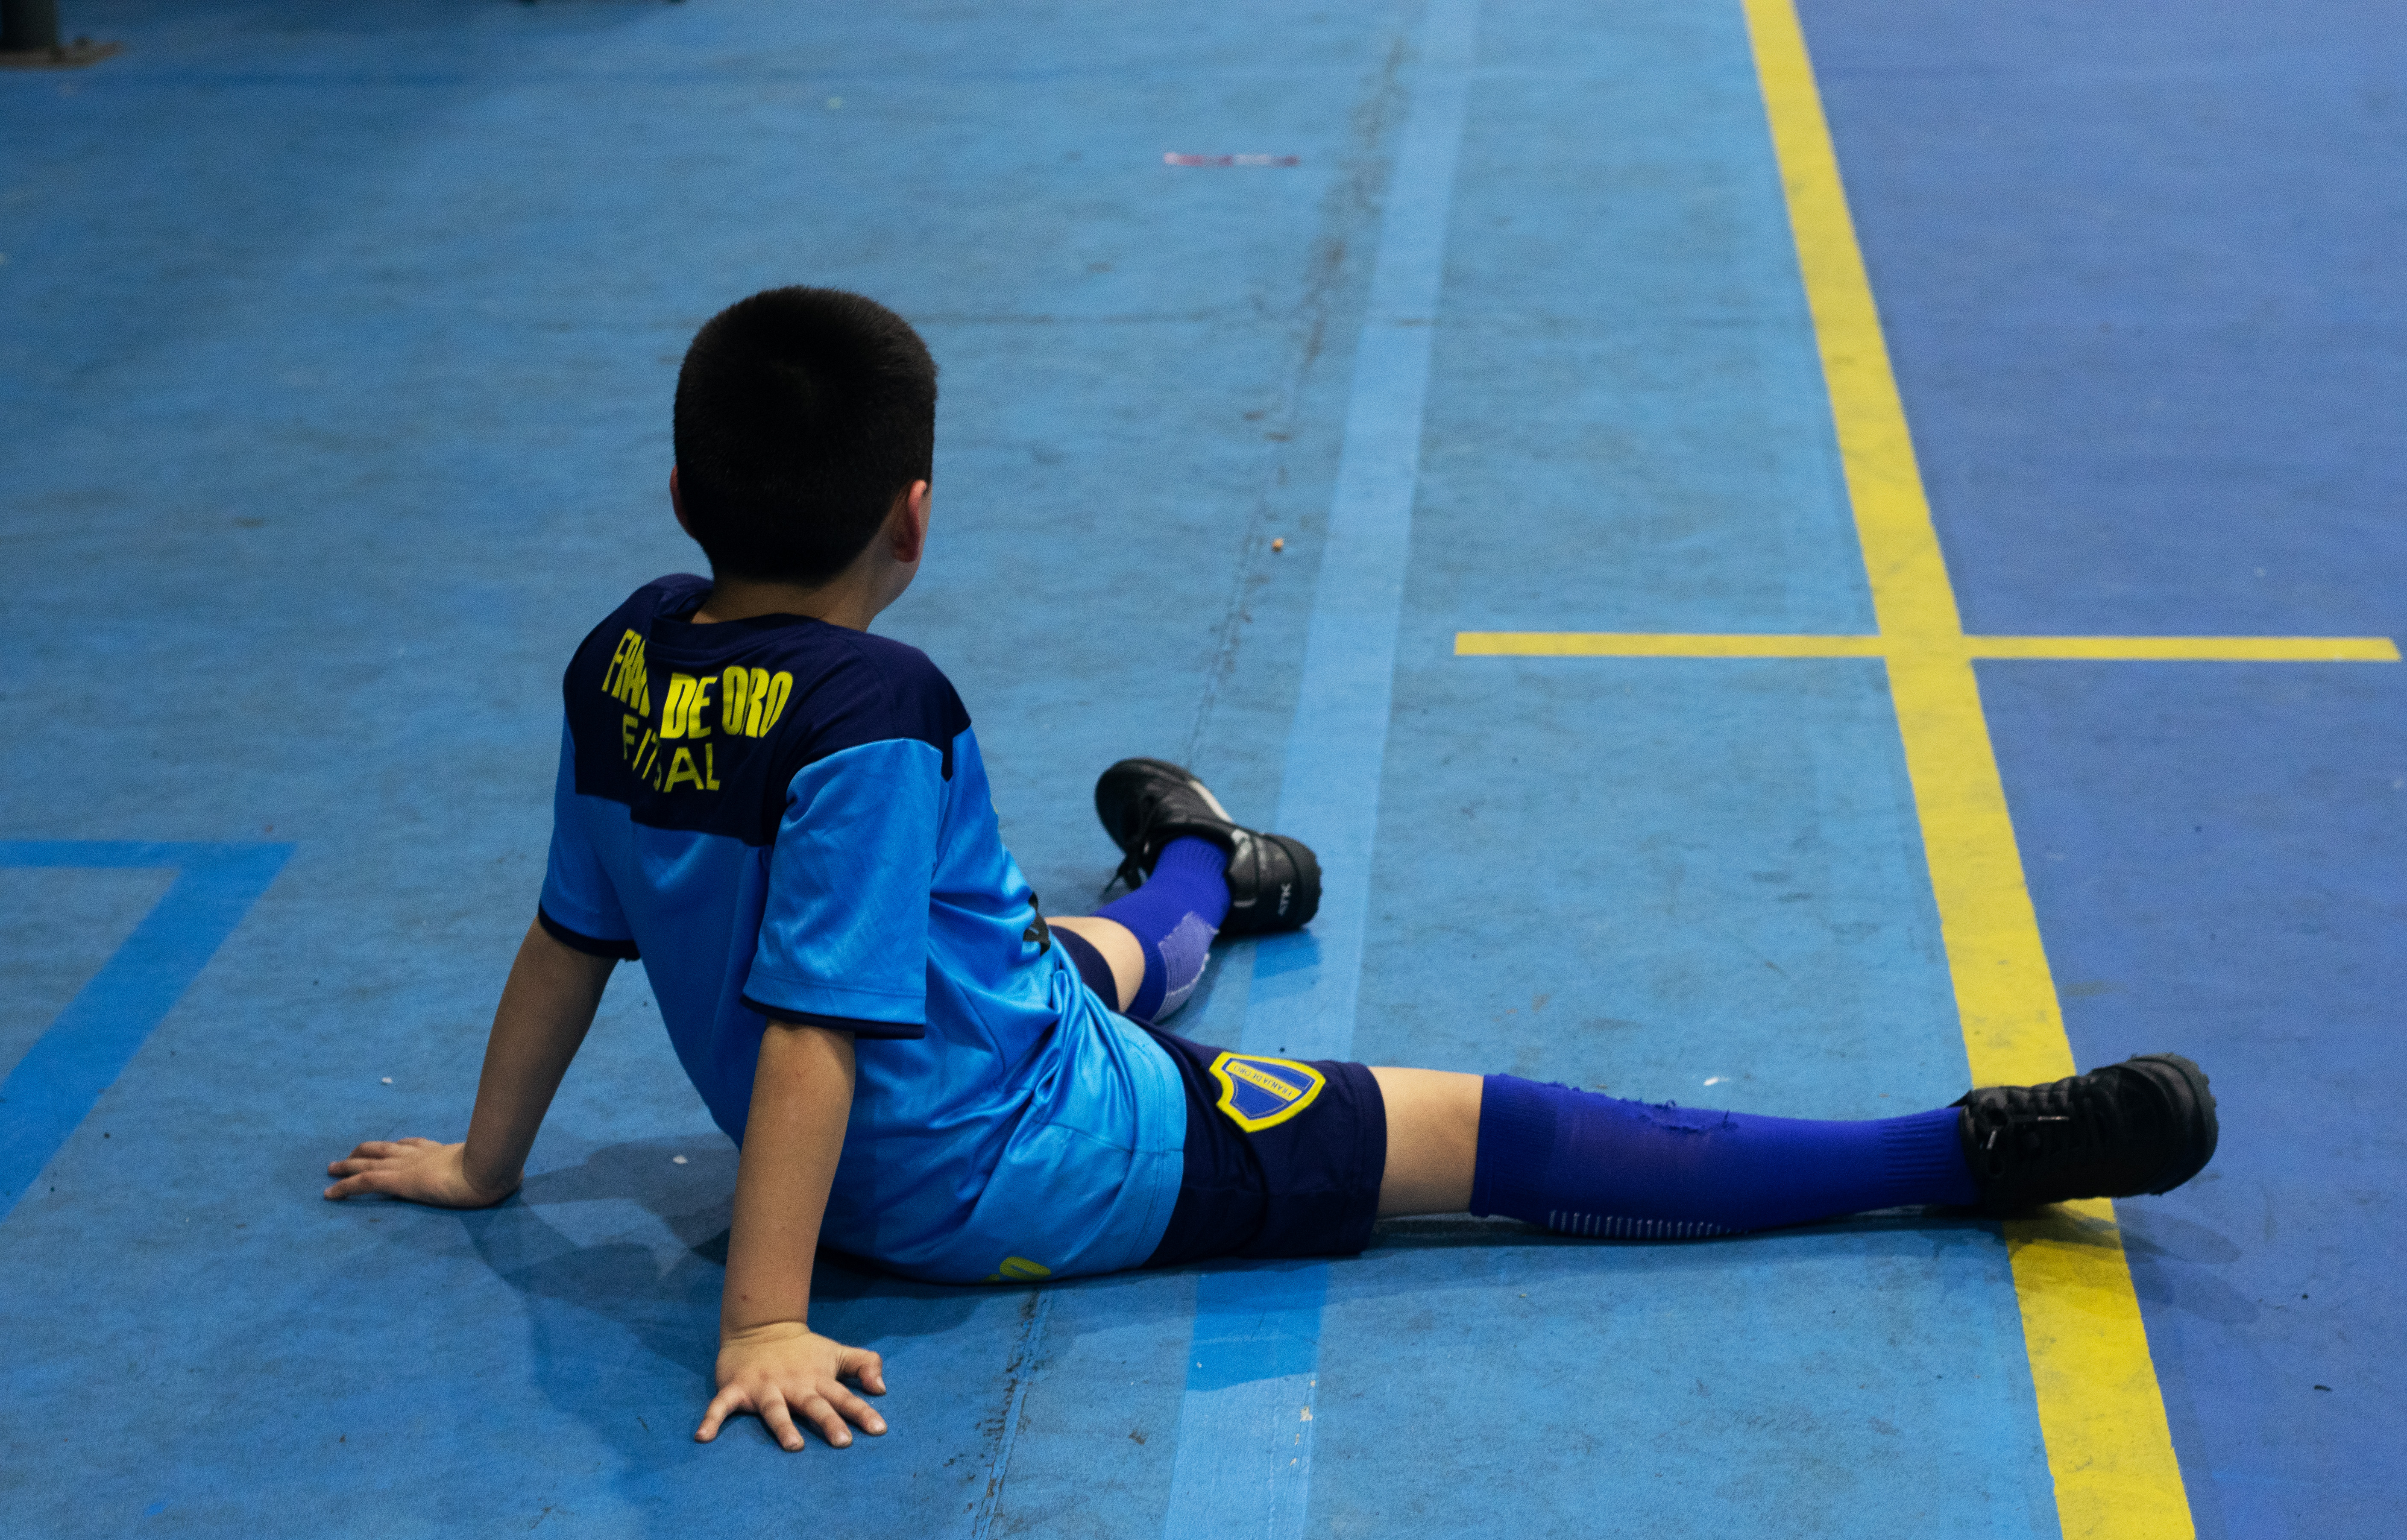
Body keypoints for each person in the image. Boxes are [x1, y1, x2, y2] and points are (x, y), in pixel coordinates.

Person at [324, 286, 2218, 1453]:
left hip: (968, 1042)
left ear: (680, 501)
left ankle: (1202, 868)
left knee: (1049, 946)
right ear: (915, 514)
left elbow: (575, 932)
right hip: (1029, 1163)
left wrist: (490, 1164)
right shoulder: (878, 710)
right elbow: (817, 1037)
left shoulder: (625, 653)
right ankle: (1952, 1156)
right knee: (1486, 1130)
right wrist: (762, 1315)